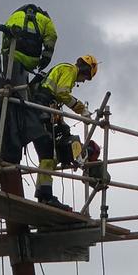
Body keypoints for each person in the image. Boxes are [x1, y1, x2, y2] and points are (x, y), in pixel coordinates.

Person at [31, 55, 99, 206]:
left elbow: (56, 97)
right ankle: (45, 196)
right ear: (86, 70)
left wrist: (61, 124)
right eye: (85, 78)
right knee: (47, 156)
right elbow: (62, 93)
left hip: (43, 110)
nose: (81, 81)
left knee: (48, 157)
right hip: (41, 110)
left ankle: (42, 193)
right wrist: (82, 110)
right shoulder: (69, 70)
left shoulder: (62, 69)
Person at [2, 3, 58, 75]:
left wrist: (5, 58)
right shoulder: (46, 20)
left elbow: (4, 40)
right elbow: (52, 37)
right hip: (31, 60)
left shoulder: (12, 17)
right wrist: (46, 58)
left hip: (11, 57)